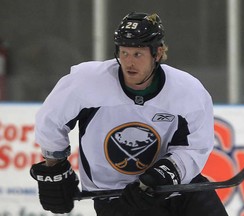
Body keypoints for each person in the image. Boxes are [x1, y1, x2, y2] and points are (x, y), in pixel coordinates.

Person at [30, 12, 228, 216]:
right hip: (116, 196)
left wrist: (164, 173)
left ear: (157, 53)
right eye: (124, 53)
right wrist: (55, 166)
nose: (129, 62)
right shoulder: (87, 82)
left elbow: (197, 146)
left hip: (176, 187)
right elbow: (50, 121)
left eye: (138, 54)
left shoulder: (188, 91)